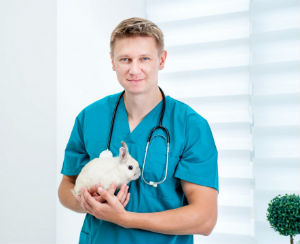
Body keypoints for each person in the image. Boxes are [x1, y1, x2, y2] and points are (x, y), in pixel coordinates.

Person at [58, 17, 219, 244]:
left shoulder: (191, 125)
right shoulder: (90, 117)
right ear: (113, 61)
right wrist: (85, 201)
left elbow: (205, 219)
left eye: (144, 58)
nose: (134, 69)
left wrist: (126, 219)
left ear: (161, 60)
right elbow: (66, 188)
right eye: (125, 59)